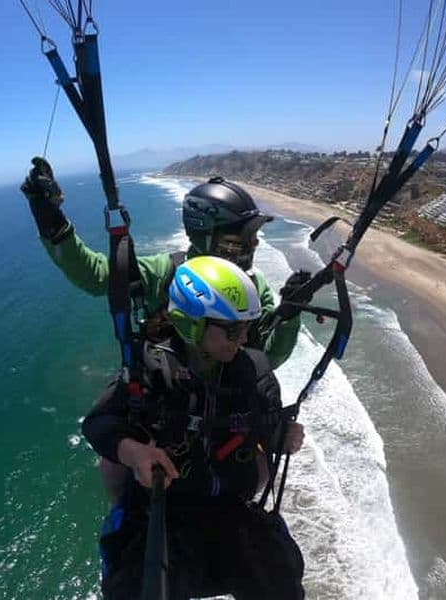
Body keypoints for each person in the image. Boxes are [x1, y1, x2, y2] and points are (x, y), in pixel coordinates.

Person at [82, 255, 306, 599]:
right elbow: (100, 423)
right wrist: (136, 452)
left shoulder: (253, 370)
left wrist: (283, 436)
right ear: (192, 325)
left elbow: (267, 425)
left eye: (246, 327)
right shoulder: (151, 370)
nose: (243, 338)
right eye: (232, 330)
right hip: (165, 511)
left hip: (231, 509)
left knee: (281, 582)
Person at [20, 157, 312, 369]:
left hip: (227, 415)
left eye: (253, 237)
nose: (254, 245)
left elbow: (269, 358)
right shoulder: (166, 273)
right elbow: (96, 276)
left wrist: (288, 316)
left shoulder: (252, 288)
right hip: (168, 410)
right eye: (241, 239)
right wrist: (50, 221)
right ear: (206, 237)